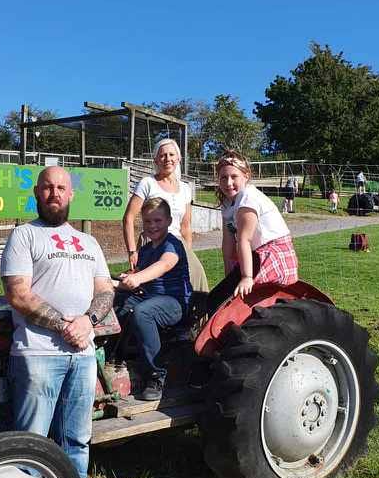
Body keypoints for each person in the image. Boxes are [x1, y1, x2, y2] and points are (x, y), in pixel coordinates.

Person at [1, 166, 116, 478]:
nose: (55, 193)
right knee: (30, 445)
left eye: (61, 187)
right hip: (37, 355)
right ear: (37, 193)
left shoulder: (88, 242)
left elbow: (104, 292)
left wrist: (88, 321)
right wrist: (63, 324)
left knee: (77, 444)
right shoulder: (24, 236)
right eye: (48, 187)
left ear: (71, 195)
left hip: (82, 355)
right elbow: (18, 294)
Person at [116, 197, 192, 401]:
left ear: (168, 221)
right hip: (149, 298)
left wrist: (137, 278)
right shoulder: (146, 250)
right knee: (118, 304)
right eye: (148, 221)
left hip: (174, 303)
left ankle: (157, 375)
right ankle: (118, 359)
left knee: (143, 313)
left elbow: (164, 265)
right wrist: (113, 282)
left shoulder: (172, 244)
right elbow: (135, 274)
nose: (152, 226)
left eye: (157, 221)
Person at [209, 150, 298, 310]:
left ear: (246, 176)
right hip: (253, 255)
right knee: (218, 297)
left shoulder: (248, 196)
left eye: (234, 176)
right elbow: (228, 244)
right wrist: (229, 276)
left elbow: (244, 239)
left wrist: (246, 277)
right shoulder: (227, 204)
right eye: (223, 177)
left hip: (273, 253)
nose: (228, 183)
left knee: (245, 298)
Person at [122, 136, 208, 292]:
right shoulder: (147, 183)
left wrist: (187, 252)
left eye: (171, 154)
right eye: (162, 155)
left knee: (197, 277)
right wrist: (132, 251)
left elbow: (186, 225)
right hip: (153, 240)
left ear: (179, 158)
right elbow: (128, 218)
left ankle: (196, 313)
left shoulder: (186, 188)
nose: (167, 158)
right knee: (154, 285)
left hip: (177, 243)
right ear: (156, 160)